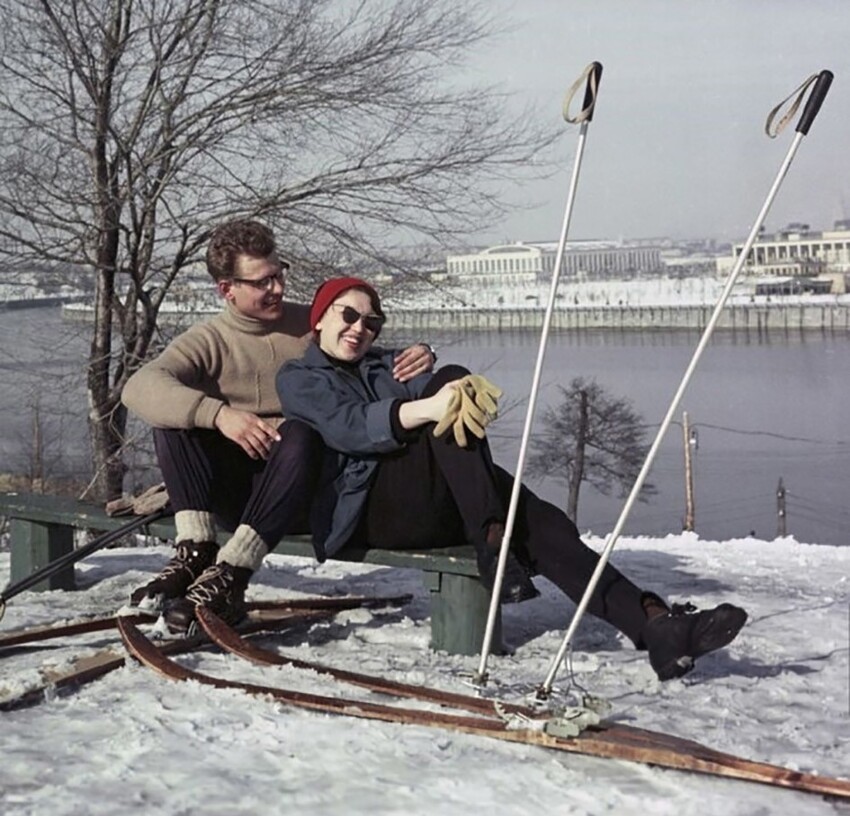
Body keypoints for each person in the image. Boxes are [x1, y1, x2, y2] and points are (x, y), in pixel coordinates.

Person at [276, 276, 748, 681]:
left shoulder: (386, 364)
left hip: (435, 499)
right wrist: (433, 403)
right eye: (348, 316)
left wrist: (444, 374)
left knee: (541, 521)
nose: (359, 329)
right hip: (367, 511)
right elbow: (352, 428)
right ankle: (494, 536)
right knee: (448, 410)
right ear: (319, 318)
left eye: (371, 322)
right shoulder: (298, 378)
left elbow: (443, 388)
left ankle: (655, 625)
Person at [121, 222, 435, 634]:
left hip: (308, 488)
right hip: (241, 492)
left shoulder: (311, 322)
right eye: (262, 281)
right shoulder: (209, 340)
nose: (278, 288)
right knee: (174, 421)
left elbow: (369, 351)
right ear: (227, 290)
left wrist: (423, 353)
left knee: (300, 432)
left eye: (279, 273)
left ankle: (231, 577)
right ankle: (195, 552)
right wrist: (220, 415)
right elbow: (139, 387)